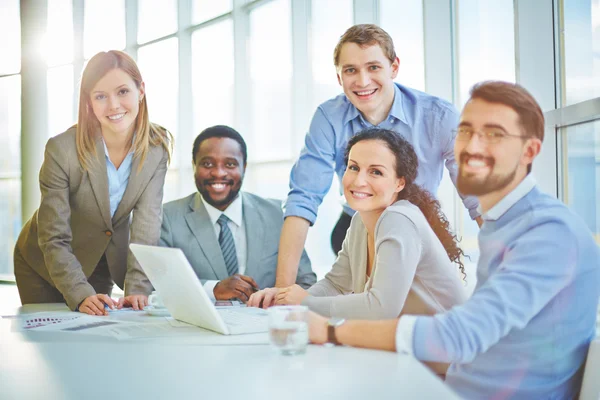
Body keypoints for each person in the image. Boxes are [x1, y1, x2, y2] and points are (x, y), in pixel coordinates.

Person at [307, 81, 600, 399]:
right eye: (464, 131)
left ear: (529, 151)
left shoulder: (548, 231)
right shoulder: (502, 223)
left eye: (493, 134)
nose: (472, 145)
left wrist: (331, 331)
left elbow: (462, 333)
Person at [274, 24, 480, 291]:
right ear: (339, 77)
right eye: (350, 70)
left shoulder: (438, 116)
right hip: (357, 229)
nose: (362, 81)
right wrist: (282, 293)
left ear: (394, 67)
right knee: (354, 314)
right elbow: (303, 198)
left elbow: (477, 198)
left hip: (419, 228)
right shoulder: (328, 118)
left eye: (373, 67)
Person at [249, 128, 468, 322]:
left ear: (399, 183)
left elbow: (382, 308)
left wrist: (305, 301)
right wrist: (282, 298)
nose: (358, 180)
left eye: (376, 172)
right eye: (353, 167)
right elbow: (335, 285)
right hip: (411, 345)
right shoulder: (359, 221)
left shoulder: (399, 219)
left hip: (449, 353)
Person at [14, 50, 173, 316]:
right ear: (89, 102)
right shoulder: (61, 150)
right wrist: (79, 292)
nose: (113, 106)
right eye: (101, 96)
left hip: (100, 262)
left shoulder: (156, 147)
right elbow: (53, 236)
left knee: (94, 340)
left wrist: (137, 288)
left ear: (141, 91)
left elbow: (147, 224)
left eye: (122, 91)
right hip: (42, 264)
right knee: (53, 343)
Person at [159, 125, 316, 303]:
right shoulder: (167, 218)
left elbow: (306, 282)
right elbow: (155, 286)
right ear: (194, 165)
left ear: (244, 167)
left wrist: (278, 303)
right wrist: (214, 289)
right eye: (207, 164)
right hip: (199, 329)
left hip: (264, 326)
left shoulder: (278, 214)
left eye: (230, 164)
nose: (218, 172)